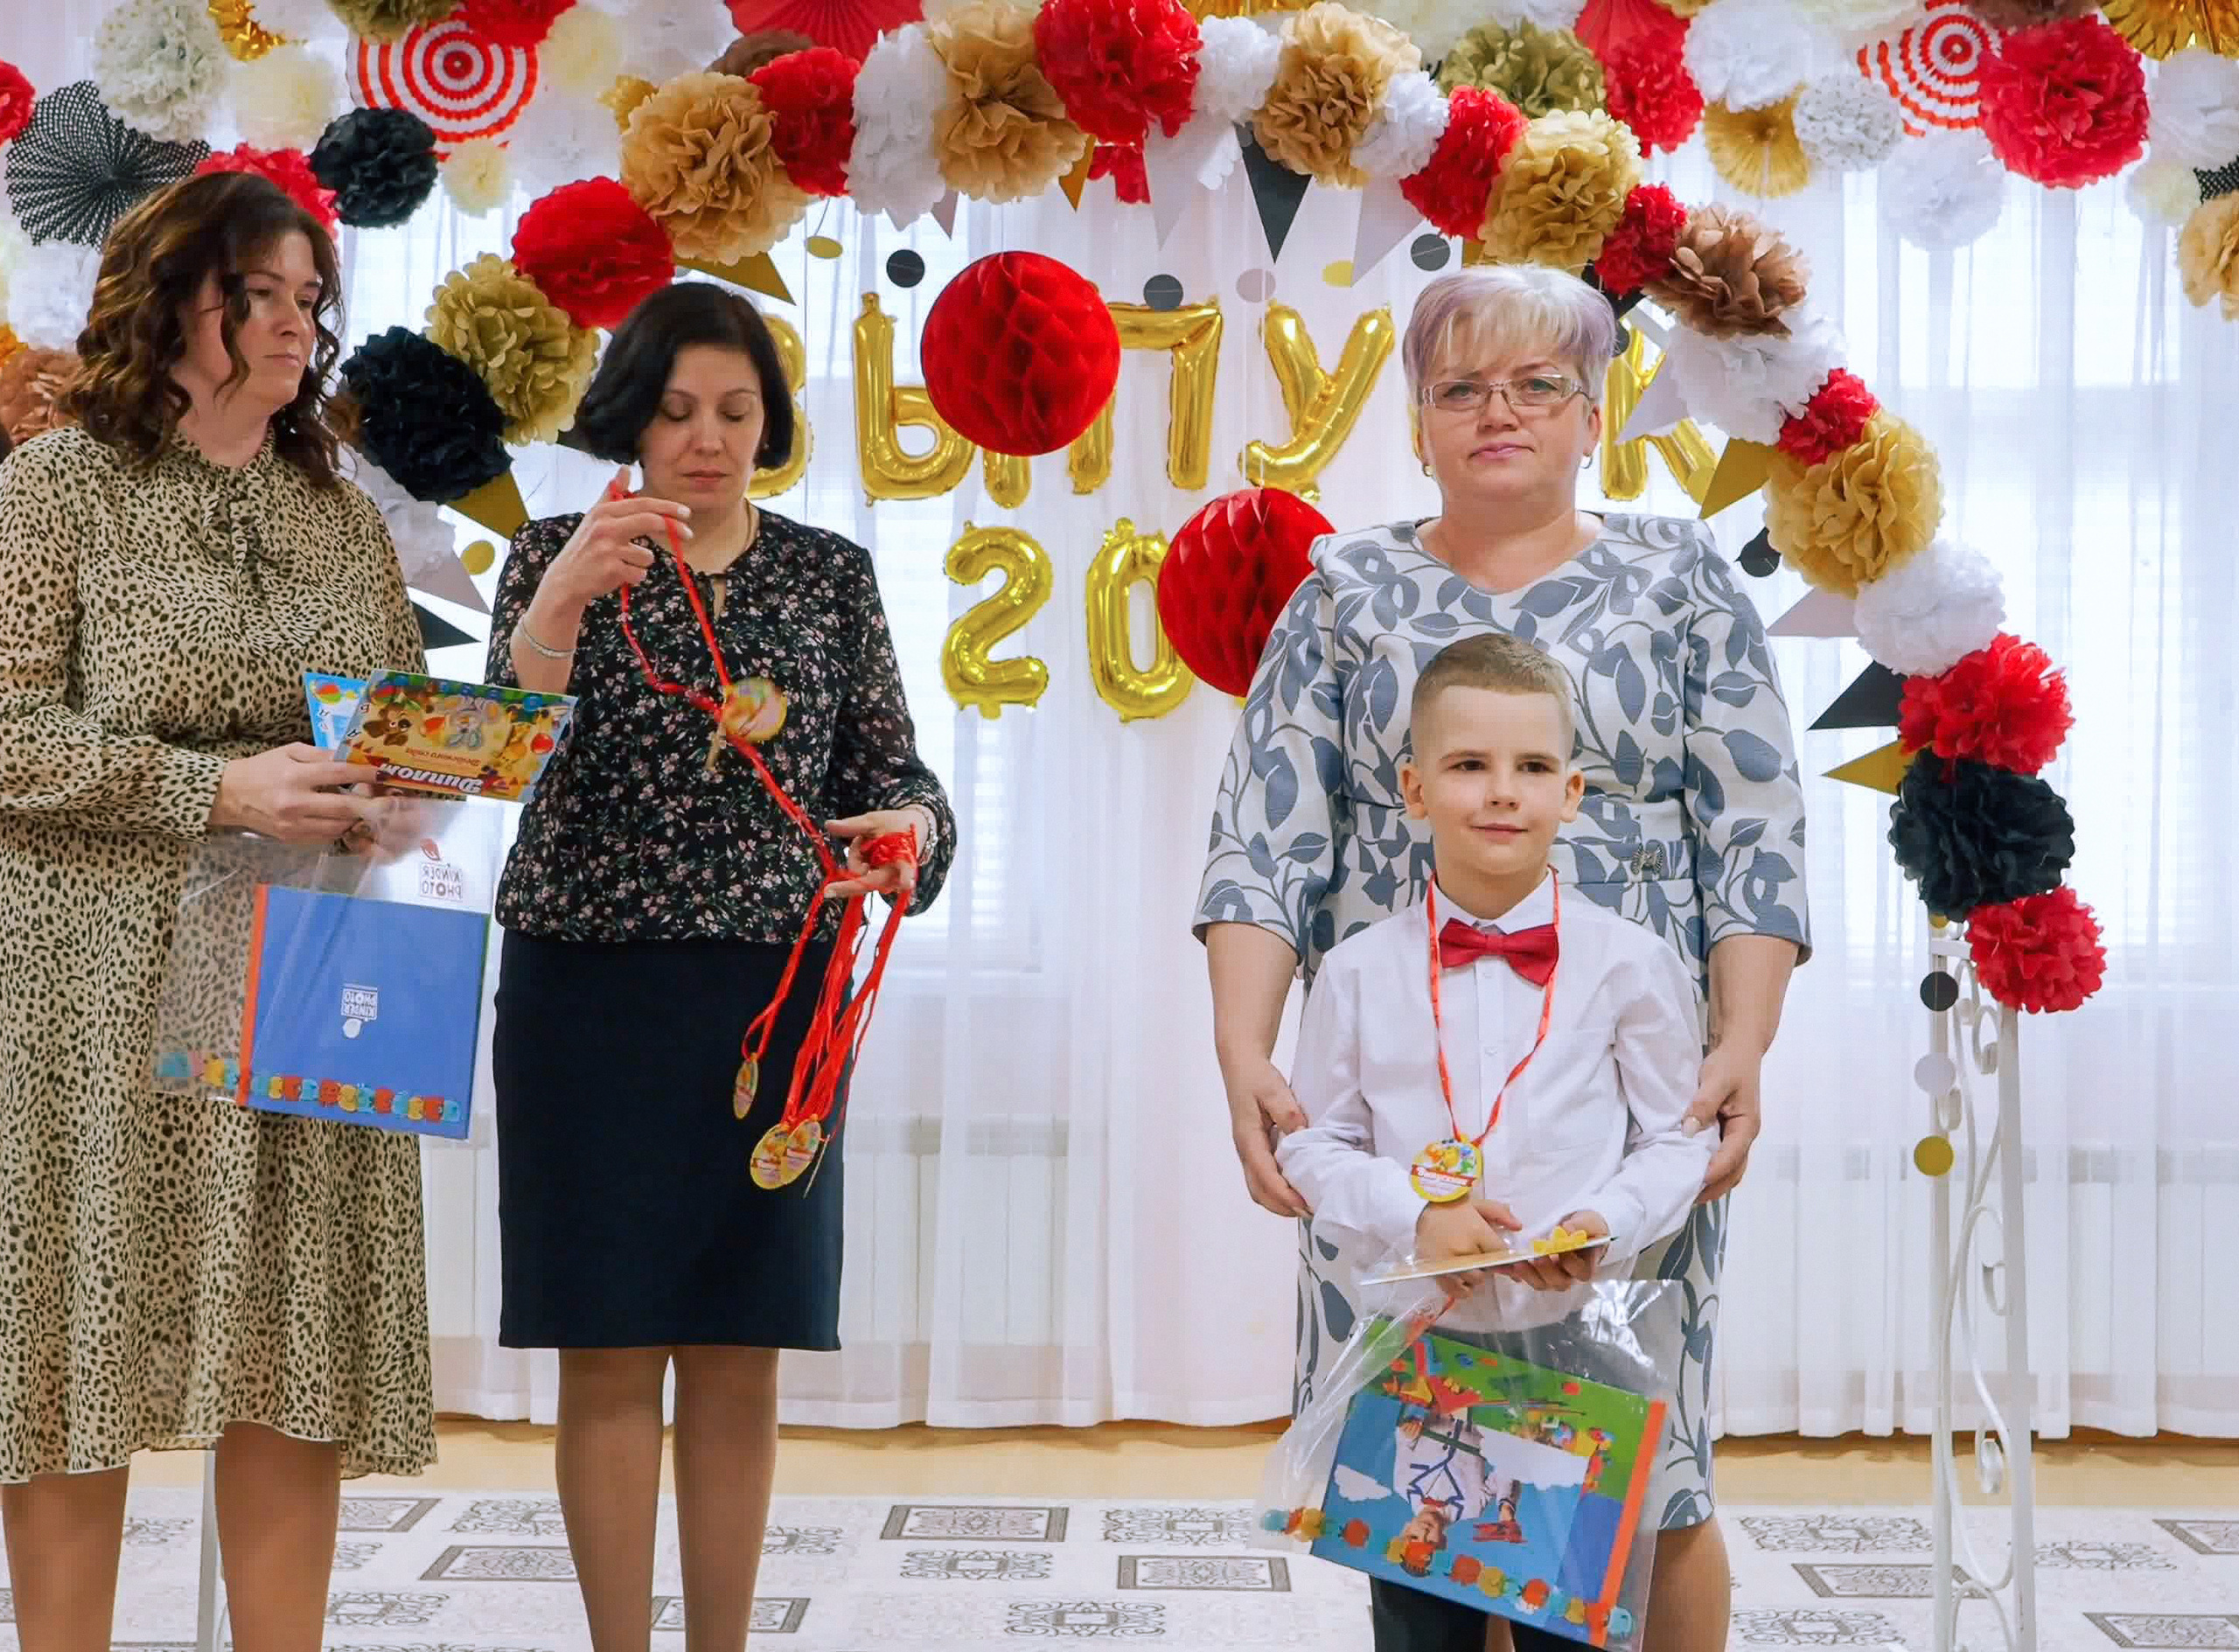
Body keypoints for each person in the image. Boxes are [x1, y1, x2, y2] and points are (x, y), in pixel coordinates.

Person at [1198, 263, 1810, 1651]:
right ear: (1417, 416)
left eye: (1539, 383)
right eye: (1461, 385)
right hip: (1402, 1093)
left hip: (1624, 1091)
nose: (1501, 412)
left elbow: (1756, 824)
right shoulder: (1346, 586)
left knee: (1644, 1465)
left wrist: (1742, 1040)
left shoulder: (1683, 578)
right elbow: (1266, 832)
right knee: (1428, 1461)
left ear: (1595, 409)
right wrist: (1244, 1047)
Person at [485, 279, 955, 1652]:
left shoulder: (828, 574)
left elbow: (892, 770)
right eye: (678, 409)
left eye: (737, 410)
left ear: (771, 421)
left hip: (777, 998)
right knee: (611, 1340)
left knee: (743, 1346)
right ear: (631, 415)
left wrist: (912, 829)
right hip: (586, 989)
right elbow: (502, 752)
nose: (706, 436)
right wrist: (562, 599)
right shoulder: (555, 555)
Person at [0, 171, 433, 1651]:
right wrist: (218, 790)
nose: (298, 324)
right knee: (79, 1346)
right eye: (263, 292)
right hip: (96, 985)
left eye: (313, 298)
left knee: (290, 1339)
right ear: (170, 298)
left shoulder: (336, 513)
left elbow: (387, 723)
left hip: (303, 966)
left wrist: (392, 788)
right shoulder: (54, 488)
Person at [1280, 633, 1712, 1649]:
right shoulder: (1352, 971)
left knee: (1574, 1620)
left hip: (1579, 1350)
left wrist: (1605, 1218)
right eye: (1468, 764)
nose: (1500, 792)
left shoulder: (1631, 964)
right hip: (1417, 1342)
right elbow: (1313, 1142)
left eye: (1530, 768)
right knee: (1422, 1615)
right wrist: (1414, 1214)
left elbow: (1680, 1139)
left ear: (1571, 793)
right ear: (1414, 789)